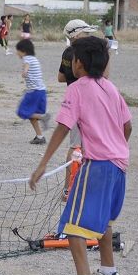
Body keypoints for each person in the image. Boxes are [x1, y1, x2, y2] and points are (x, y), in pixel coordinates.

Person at [29, 35, 132, 275]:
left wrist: (42, 165)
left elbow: (62, 128)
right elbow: (128, 126)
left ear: (79, 63)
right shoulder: (111, 88)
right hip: (119, 166)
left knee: (73, 225)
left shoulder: (76, 89)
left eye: (72, 59)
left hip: (97, 165)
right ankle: (108, 272)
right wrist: (116, 146)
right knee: (104, 223)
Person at [58, 19, 98, 197]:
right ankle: (69, 189)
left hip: (72, 100)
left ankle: (71, 186)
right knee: (78, 147)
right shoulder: (83, 53)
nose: (88, 35)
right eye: (85, 32)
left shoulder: (67, 52)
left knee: (76, 146)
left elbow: (60, 77)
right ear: (75, 35)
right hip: (85, 104)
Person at [15, 39, 51, 144]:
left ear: (24, 51)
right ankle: (40, 137)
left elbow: (26, 67)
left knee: (22, 112)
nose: (17, 53)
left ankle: (43, 117)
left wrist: (24, 72)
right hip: (41, 91)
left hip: (33, 92)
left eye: (18, 51)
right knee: (32, 116)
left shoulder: (27, 59)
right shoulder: (35, 59)